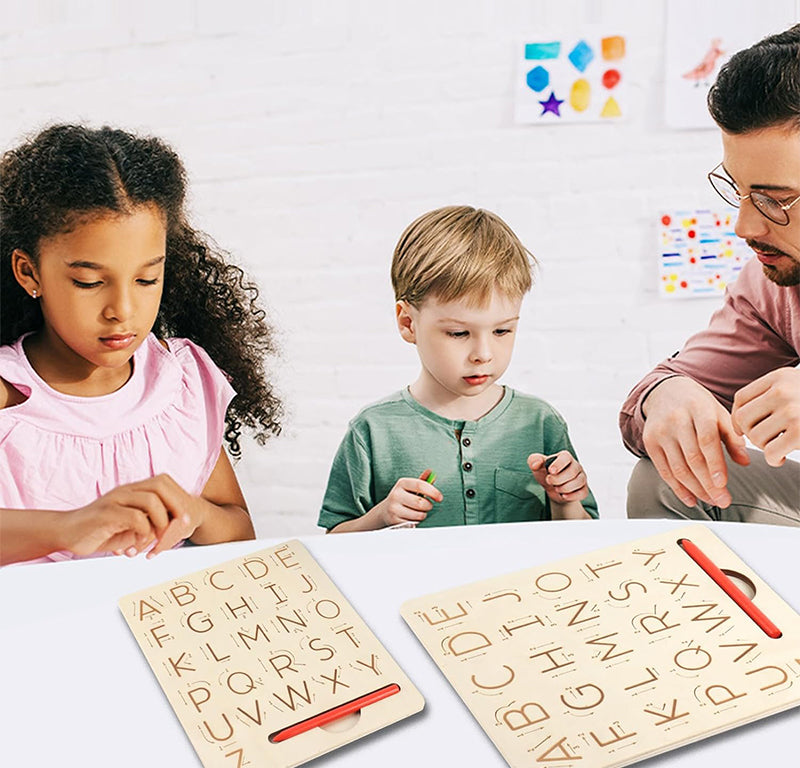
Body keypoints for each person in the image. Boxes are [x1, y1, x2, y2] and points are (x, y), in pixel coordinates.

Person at [0, 124, 282, 565]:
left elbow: (239, 529)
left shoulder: (179, 382)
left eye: (147, 278)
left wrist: (195, 513)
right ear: (29, 273)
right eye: (89, 282)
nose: (123, 310)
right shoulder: (8, 396)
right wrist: (67, 528)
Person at [318, 205, 598, 532]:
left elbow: (583, 539)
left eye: (502, 331)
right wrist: (381, 516)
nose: (483, 354)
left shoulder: (540, 423)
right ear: (408, 322)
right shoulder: (373, 431)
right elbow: (332, 541)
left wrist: (564, 501)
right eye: (459, 333)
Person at [621, 24, 800, 526]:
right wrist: (667, 396)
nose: (744, 225)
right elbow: (659, 390)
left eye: (774, 199)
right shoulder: (772, 283)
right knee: (669, 482)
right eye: (737, 188)